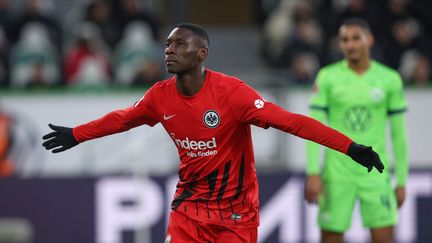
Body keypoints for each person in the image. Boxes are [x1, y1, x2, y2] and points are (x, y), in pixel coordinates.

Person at [42, 23, 384, 243]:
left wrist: (349, 147)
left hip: (236, 215)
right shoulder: (160, 95)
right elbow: (123, 118)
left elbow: (292, 122)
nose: (169, 50)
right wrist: (76, 134)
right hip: (188, 210)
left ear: (201, 53)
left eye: (179, 45)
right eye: (168, 45)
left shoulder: (233, 94)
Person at [305, 18, 408, 243]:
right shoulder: (328, 77)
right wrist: (313, 172)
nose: (350, 45)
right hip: (337, 174)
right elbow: (314, 129)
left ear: (369, 40)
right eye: (344, 40)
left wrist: (401, 181)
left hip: (376, 174)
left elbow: (399, 135)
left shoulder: (389, 79)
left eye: (355, 38)